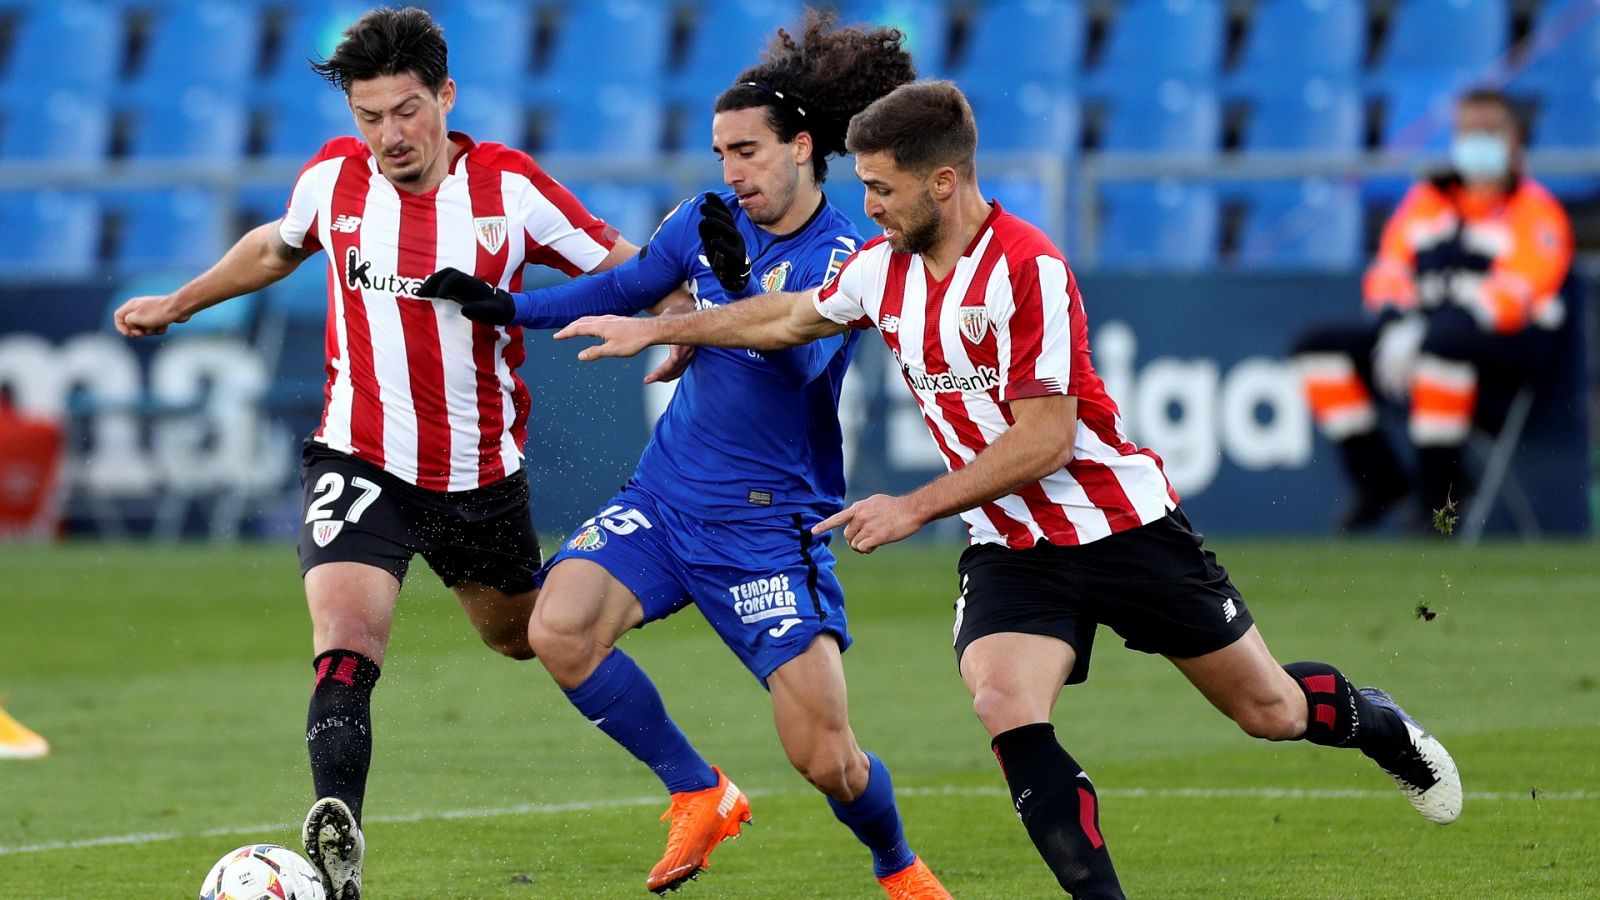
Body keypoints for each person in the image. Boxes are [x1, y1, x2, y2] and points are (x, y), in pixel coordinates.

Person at [554, 81, 1464, 899]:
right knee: (1002, 701)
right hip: (1009, 546)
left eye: (881, 189)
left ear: (942, 183)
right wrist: (673, 327)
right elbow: (790, 316)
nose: (866, 206)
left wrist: (912, 505)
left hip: (1117, 526)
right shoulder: (881, 268)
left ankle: (1379, 726)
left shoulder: (1028, 270)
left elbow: (1047, 439)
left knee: (1269, 711)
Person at [112, 9, 667, 899]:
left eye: (407, 111)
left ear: (446, 97)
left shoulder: (509, 191)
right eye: (370, 117)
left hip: (477, 476)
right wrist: (181, 301)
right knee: (347, 637)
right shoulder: (334, 178)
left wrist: (676, 322)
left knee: (522, 637)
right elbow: (274, 246)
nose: (389, 136)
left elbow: (624, 262)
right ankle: (341, 846)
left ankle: (637, 583)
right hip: (356, 455)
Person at [422, 12, 947, 898]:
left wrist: (732, 292)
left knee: (827, 761)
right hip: (667, 502)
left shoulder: (853, 254)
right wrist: (505, 307)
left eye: (746, 150)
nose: (731, 171)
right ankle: (700, 789)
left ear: (802, 148)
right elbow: (623, 288)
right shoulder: (703, 218)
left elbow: (804, 356)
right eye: (720, 152)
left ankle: (897, 866)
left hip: (768, 528)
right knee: (556, 627)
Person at [1292, 88, 1573, 532]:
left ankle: (1440, 499)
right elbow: (1388, 272)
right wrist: (1394, 325)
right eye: (1467, 131)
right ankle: (1381, 483)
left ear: (1515, 139)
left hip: (1506, 356)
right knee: (1317, 349)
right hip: (1418, 340)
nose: (1476, 142)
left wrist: (1424, 332)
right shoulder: (1426, 201)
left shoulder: (1537, 211)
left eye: (1489, 132)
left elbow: (1513, 296)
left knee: (1443, 349)